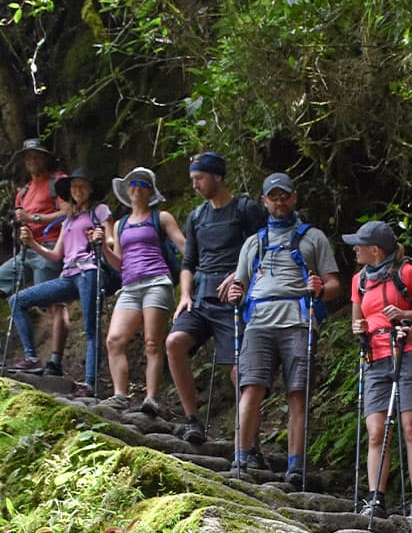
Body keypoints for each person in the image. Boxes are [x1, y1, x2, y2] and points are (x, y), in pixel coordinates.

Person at [221, 172, 342, 486]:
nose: (279, 201)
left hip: (298, 321)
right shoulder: (253, 242)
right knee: (250, 386)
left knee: (297, 393)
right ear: (264, 201)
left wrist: (319, 289)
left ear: (294, 197)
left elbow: (333, 284)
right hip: (258, 322)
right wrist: (236, 293)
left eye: (284, 196)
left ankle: (295, 466)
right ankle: (241, 456)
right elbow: (241, 284)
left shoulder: (313, 238)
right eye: (273, 197)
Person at [345, 220, 412, 521]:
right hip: (375, 358)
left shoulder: (408, 273)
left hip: (410, 352)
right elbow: (357, 322)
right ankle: (376, 497)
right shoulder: (359, 280)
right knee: (376, 432)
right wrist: (358, 327)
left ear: (375, 249)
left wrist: (405, 315)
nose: (355, 249)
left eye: (359, 245)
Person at [166, 152, 268, 444]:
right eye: (193, 179)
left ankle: (248, 443)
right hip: (200, 297)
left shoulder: (245, 210)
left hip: (234, 299)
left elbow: (263, 249)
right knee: (174, 343)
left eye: (200, 178)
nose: (195, 185)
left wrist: (240, 274)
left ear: (218, 177)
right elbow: (189, 262)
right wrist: (184, 294)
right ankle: (192, 419)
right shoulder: (197, 216)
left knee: (241, 372)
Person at [8, 169, 113, 395]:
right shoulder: (69, 220)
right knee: (18, 300)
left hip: (89, 272)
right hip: (69, 275)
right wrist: (32, 243)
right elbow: (57, 255)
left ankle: (90, 382)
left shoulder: (100, 211)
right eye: (74, 187)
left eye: (82, 186)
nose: (78, 191)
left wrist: (100, 238)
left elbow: (111, 238)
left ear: (91, 189)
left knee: (91, 328)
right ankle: (32, 357)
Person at [100, 167, 190, 415]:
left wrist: (201, 267)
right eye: (132, 184)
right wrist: (103, 249)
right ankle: (120, 395)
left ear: (150, 191)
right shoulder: (119, 225)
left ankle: (151, 398)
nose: (136, 187)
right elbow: (119, 263)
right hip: (129, 285)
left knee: (152, 342)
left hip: (156, 282)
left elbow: (184, 246)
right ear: (127, 191)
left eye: (142, 184)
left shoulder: (161, 218)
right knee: (114, 340)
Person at [0, 139, 67, 369]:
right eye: (28, 156)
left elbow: (68, 212)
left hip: (50, 246)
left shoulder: (58, 181)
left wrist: (34, 219)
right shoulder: (23, 192)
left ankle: (54, 361)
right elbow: (19, 219)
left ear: (45, 158)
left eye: (36, 155)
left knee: (54, 304)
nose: (32, 160)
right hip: (26, 249)